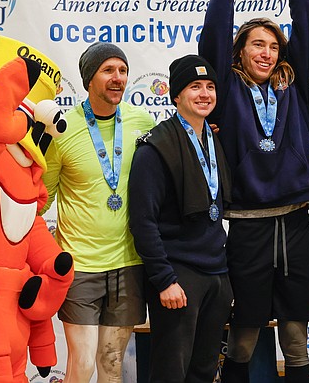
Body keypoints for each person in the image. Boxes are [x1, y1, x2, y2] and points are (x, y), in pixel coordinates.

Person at [199, 0, 309, 382]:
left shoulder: (296, 87)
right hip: (248, 222)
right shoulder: (225, 90)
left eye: (273, 45)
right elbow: (215, 30)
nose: (266, 52)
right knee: (245, 335)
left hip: (293, 221)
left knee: (295, 336)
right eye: (256, 45)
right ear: (239, 52)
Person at [42, 42, 156, 383]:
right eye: (108, 70)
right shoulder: (62, 130)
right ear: (89, 78)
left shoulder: (142, 122)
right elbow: (40, 199)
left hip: (129, 263)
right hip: (79, 266)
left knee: (110, 363)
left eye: (122, 70)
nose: (118, 78)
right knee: (83, 363)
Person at [128, 55, 233, 382]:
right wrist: (164, 279)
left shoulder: (214, 139)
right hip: (179, 275)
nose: (204, 94)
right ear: (176, 95)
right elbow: (143, 221)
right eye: (194, 86)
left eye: (210, 87)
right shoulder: (154, 149)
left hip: (217, 274)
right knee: (171, 372)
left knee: (204, 370)